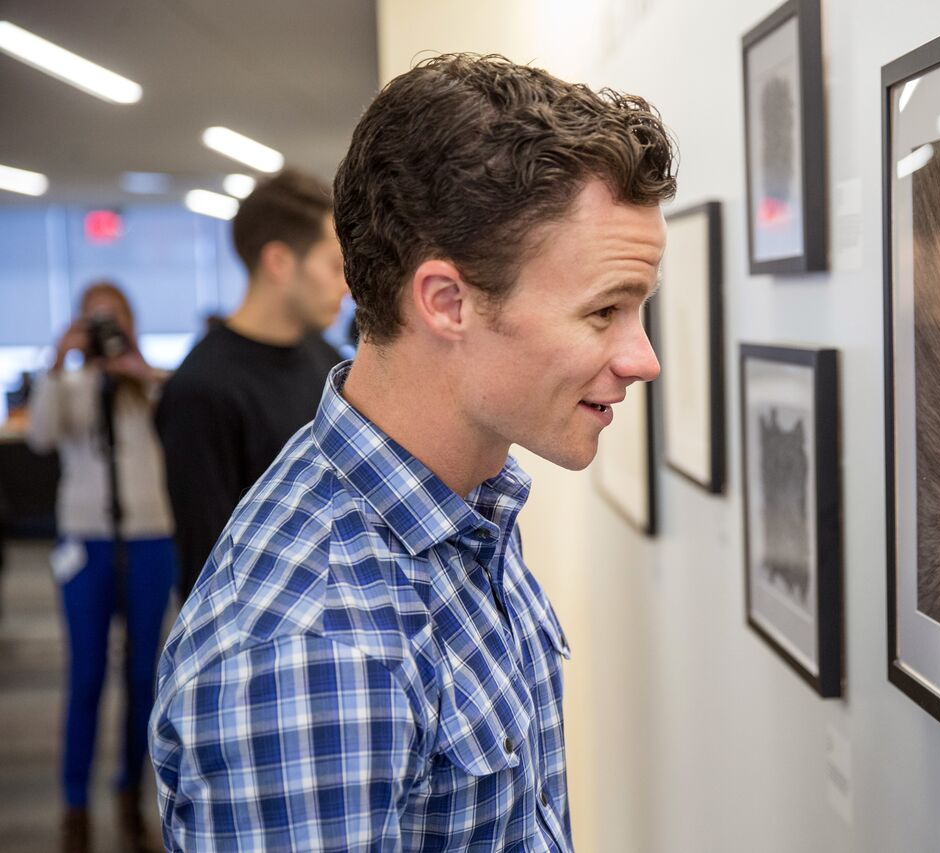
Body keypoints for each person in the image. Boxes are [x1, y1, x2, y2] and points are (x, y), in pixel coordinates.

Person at [149, 53, 676, 851]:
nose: (644, 359)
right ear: (447, 302)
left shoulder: (468, 503)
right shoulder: (312, 651)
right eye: (604, 312)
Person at [26, 282, 173, 853]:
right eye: (96, 320)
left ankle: (130, 798)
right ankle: (75, 807)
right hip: (85, 543)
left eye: (115, 319)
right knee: (86, 676)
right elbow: (40, 436)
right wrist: (56, 361)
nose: (106, 329)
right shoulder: (69, 386)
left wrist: (138, 369)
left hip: (149, 539)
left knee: (142, 678)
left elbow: (186, 416)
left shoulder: (148, 385)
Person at [155, 169, 348, 600]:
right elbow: (206, 561)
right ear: (279, 262)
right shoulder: (202, 390)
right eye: (335, 266)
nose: (347, 286)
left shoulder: (327, 361)